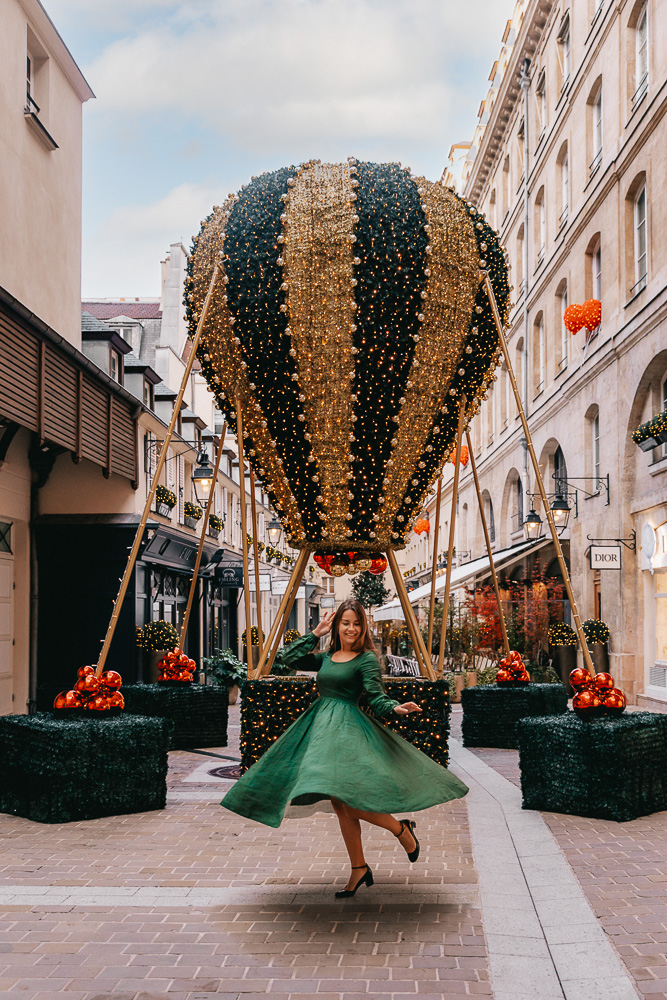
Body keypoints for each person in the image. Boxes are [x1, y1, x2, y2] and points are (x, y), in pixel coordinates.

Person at [221, 598, 468, 897]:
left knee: (347, 802)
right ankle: (359, 868)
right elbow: (287, 657)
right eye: (345, 622)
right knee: (340, 804)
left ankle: (401, 830)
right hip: (320, 730)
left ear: (363, 627)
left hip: (349, 732)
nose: (351, 628)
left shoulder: (366, 659)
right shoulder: (326, 656)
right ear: (337, 625)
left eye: (356, 623)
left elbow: (376, 696)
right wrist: (315, 633)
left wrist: (396, 708)